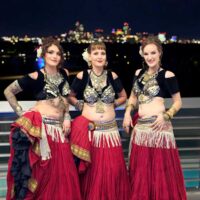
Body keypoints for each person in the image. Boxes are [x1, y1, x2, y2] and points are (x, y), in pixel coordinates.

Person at [4, 37, 81, 200]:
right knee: (44, 174)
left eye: (58, 53)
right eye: (51, 52)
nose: (55, 56)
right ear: (43, 55)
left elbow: (65, 100)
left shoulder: (64, 74)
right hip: (43, 131)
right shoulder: (35, 76)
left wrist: (67, 116)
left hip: (61, 130)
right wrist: (21, 112)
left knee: (64, 174)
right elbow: (8, 91)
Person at [123, 36, 187, 200]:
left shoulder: (167, 75)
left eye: (153, 53)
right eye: (146, 54)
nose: (150, 57)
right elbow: (132, 98)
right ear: (142, 55)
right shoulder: (138, 74)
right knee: (141, 174)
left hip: (159, 129)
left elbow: (178, 102)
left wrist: (166, 115)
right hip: (141, 130)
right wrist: (127, 113)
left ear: (160, 53)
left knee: (161, 175)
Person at [69, 42, 130, 200]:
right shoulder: (82, 76)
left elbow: (124, 96)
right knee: (93, 171)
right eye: (95, 53)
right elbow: (70, 95)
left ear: (106, 57)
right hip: (91, 132)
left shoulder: (112, 76)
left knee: (113, 169)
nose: (99, 56)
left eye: (102, 53)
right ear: (89, 57)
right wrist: (80, 105)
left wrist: (114, 104)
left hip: (110, 132)